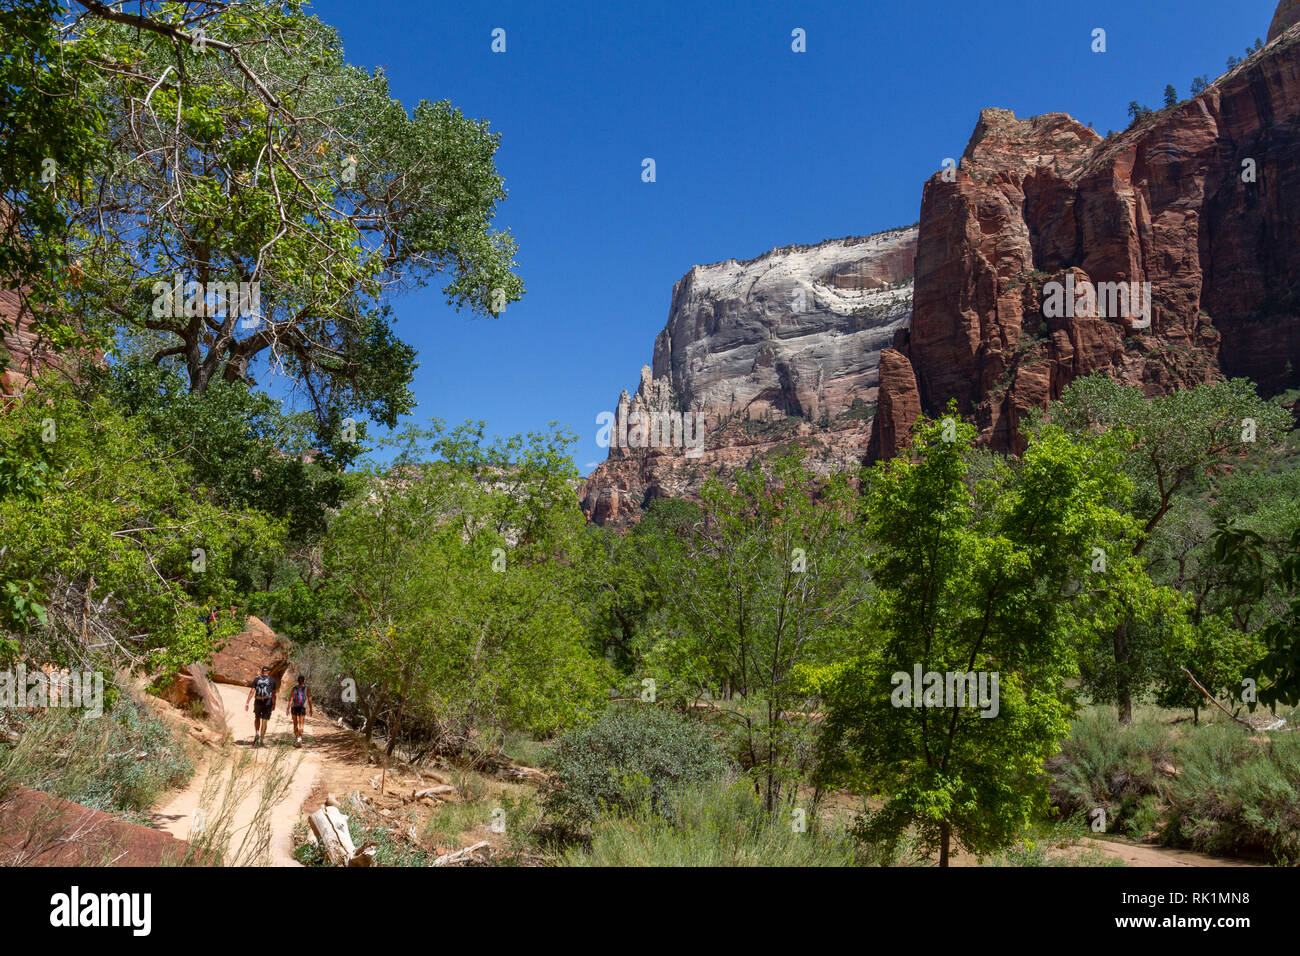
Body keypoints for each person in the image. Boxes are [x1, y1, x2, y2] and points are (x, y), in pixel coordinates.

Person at [244, 665, 276, 747]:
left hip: (258, 702)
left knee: (257, 717)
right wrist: (274, 704)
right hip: (268, 703)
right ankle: (261, 740)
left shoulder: (256, 679)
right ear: (268, 672)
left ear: (262, 671)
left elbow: (252, 691)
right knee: (264, 721)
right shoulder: (272, 680)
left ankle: (257, 733)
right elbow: (274, 694)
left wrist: (247, 702)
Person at [287, 675, 312, 748]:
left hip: (294, 707)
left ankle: (297, 738)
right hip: (302, 708)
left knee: (295, 724)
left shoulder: (294, 688)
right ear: (304, 681)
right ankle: (299, 739)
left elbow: (291, 699)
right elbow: (309, 700)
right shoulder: (306, 689)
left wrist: (288, 708)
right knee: (301, 724)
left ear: (298, 681)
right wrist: (310, 709)